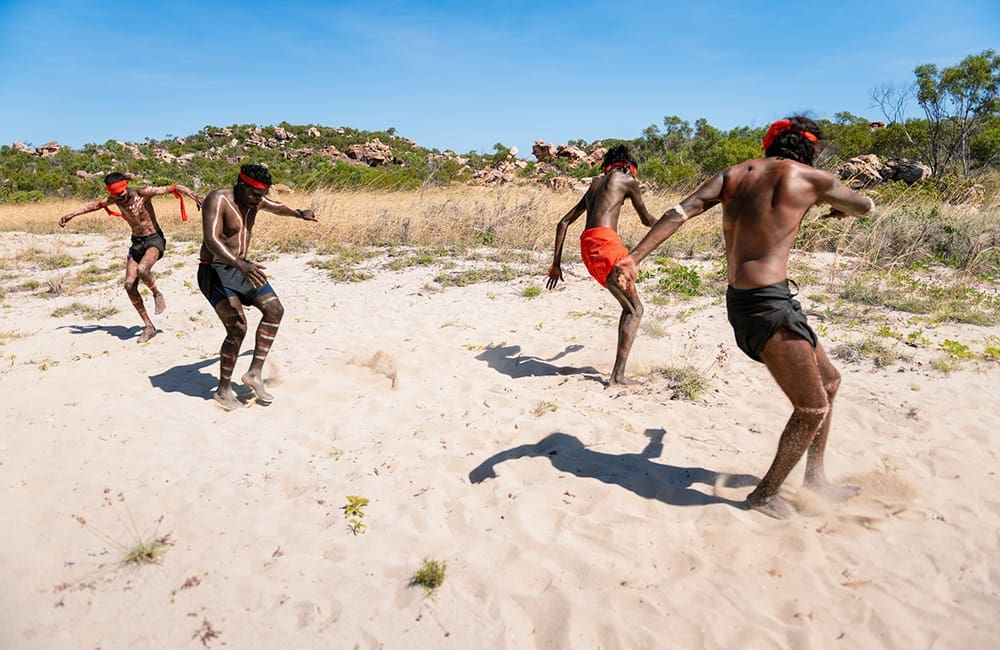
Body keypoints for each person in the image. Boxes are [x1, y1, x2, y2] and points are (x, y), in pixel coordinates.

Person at [613, 116, 876, 519]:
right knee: (811, 407)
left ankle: (815, 477)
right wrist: (837, 205)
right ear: (811, 148)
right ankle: (763, 495)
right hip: (769, 307)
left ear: (771, 143)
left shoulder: (734, 175)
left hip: (749, 302)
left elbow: (679, 212)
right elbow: (864, 205)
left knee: (830, 381)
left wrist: (634, 256)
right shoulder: (813, 180)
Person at [197, 163, 317, 411]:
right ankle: (223, 389)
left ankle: (254, 373)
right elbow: (211, 239)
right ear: (241, 185)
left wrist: (298, 213)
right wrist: (240, 264)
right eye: (254, 194)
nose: (258, 200)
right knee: (238, 327)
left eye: (261, 195)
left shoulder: (255, 200)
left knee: (275, 310)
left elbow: (276, 206)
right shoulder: (218, 199)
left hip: (241, 268)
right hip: (215, 270)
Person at [546, 144, 657, 385]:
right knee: (636, 310)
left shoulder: (595, 185)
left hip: (588, 250)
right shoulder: (627, 179)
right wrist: (672, 222)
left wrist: (556, 264)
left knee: (629, 308)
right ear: (629, 167)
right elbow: (647, 220)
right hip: (607, 246)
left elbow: (563, 223)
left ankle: (618, 372)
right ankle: (617, 376)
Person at [58, 173, 203, 343]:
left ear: (125, 186)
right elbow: (94, 205)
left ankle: (157, 294)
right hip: (136, 243)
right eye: (115, 194)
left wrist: (195, 196)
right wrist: (71, 215)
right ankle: (149, 326)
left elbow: (174, 187)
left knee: (142, 270)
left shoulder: (143, 193)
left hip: (153, 239)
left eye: (121, 192)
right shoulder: (114, 200)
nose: (119, 196)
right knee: (129, 285)